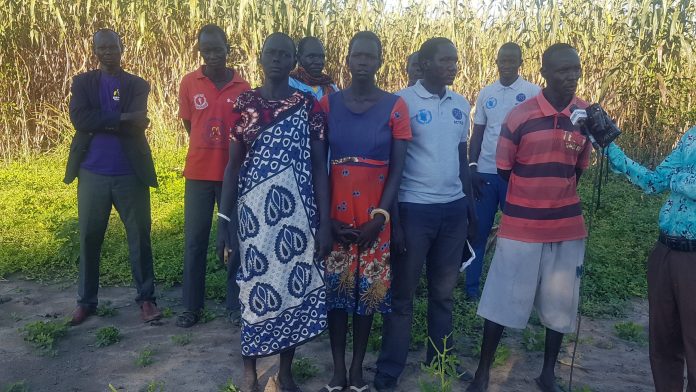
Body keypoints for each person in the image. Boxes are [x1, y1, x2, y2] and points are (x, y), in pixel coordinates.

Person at [467, 43, 591, 392]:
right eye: (563, 70)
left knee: (560, 305)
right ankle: (483, 372)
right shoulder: (519, 116)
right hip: (521, 225)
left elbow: (579, 168)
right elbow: (505, 169)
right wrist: (533, 196)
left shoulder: (584, 115)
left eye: (576, 69)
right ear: (544, 73)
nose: (571, 76)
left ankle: (548, 373)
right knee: (501, 299)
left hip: (566, 227)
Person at [217, 32, 332, 392]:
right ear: (260, 56)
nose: (278, 59)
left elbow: (318, 167)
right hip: (253, 220)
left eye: (285, 54)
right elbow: (233, 166)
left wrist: (324, 222)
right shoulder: (244, 104)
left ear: (293, 58)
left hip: (298, 215)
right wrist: (224, 220)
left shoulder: (307, 105)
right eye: (272, 53)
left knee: (292, 291)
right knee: (253, 290)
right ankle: (250, 373)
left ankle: (286, 372)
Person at [374, 37, 477, 391]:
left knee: (443, 294)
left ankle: (440, 358)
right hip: (414, 210)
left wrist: (469, 206)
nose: (453, 66)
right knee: (402, 296)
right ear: (426, 63)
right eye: (446, 60)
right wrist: (395, 220)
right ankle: (389, 370)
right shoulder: (401, 101)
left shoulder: (461, 104)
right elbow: (393, 165)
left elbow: (461, 157)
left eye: (455, 59)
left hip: (452, 212)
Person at [319, 31, 411, 392]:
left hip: (376, 217)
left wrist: (380, 218)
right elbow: (318, 166)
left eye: (370, 56)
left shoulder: (395, 106)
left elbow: (397, 169)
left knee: (367, 296)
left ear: (380, 61)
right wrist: (327, 221)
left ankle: (358, 369)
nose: (363, 61)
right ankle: (338, 369)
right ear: (347, 59)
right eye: (357, 55)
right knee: (337, 295)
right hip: (337, 215)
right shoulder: (327, 105)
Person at [64, 29, 161, 325]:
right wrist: (119, 118)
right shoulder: (82, 83)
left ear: (123, 48)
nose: (108, 52)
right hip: (92, 172)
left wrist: (103, 120)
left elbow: (138, 123)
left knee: (140, 238)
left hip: (130, 173)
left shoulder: (137, 85)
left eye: (113, 47)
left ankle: (146, 300)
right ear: (94, 50)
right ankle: (86, 302)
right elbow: (80, 119)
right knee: (89, 238)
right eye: (102, 47)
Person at [606, 127, 696, 392]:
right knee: (663, 341)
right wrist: (610, 148)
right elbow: (656, 181)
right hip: (666, 251)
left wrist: (676, 179)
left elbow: (676, 181)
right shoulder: (691, 135)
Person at [176, 24, 251, 328]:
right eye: (206, 50)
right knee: (195, 240)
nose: (212, 55)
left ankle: (234, 304)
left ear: (227, 49)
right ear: (200, 52)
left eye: (217, 49)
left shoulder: (243, 88)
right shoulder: (189, 83)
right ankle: (191, 307)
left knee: (234, 240)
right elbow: (189, 125)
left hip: (231, 176)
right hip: (198, 174)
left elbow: (246, 134)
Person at [465, 42, 540, 300]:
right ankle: (471, 290)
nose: (506, 66)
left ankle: (512, 290)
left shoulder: (532, 93)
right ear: (496, 62)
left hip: (516, 174)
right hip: (486, 173)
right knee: (479, 231)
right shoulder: (487, 93)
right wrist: (472, 166)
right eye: (502, 61)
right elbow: (478, 133)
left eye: (511, 61)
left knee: (515, 236)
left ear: (521, 62)